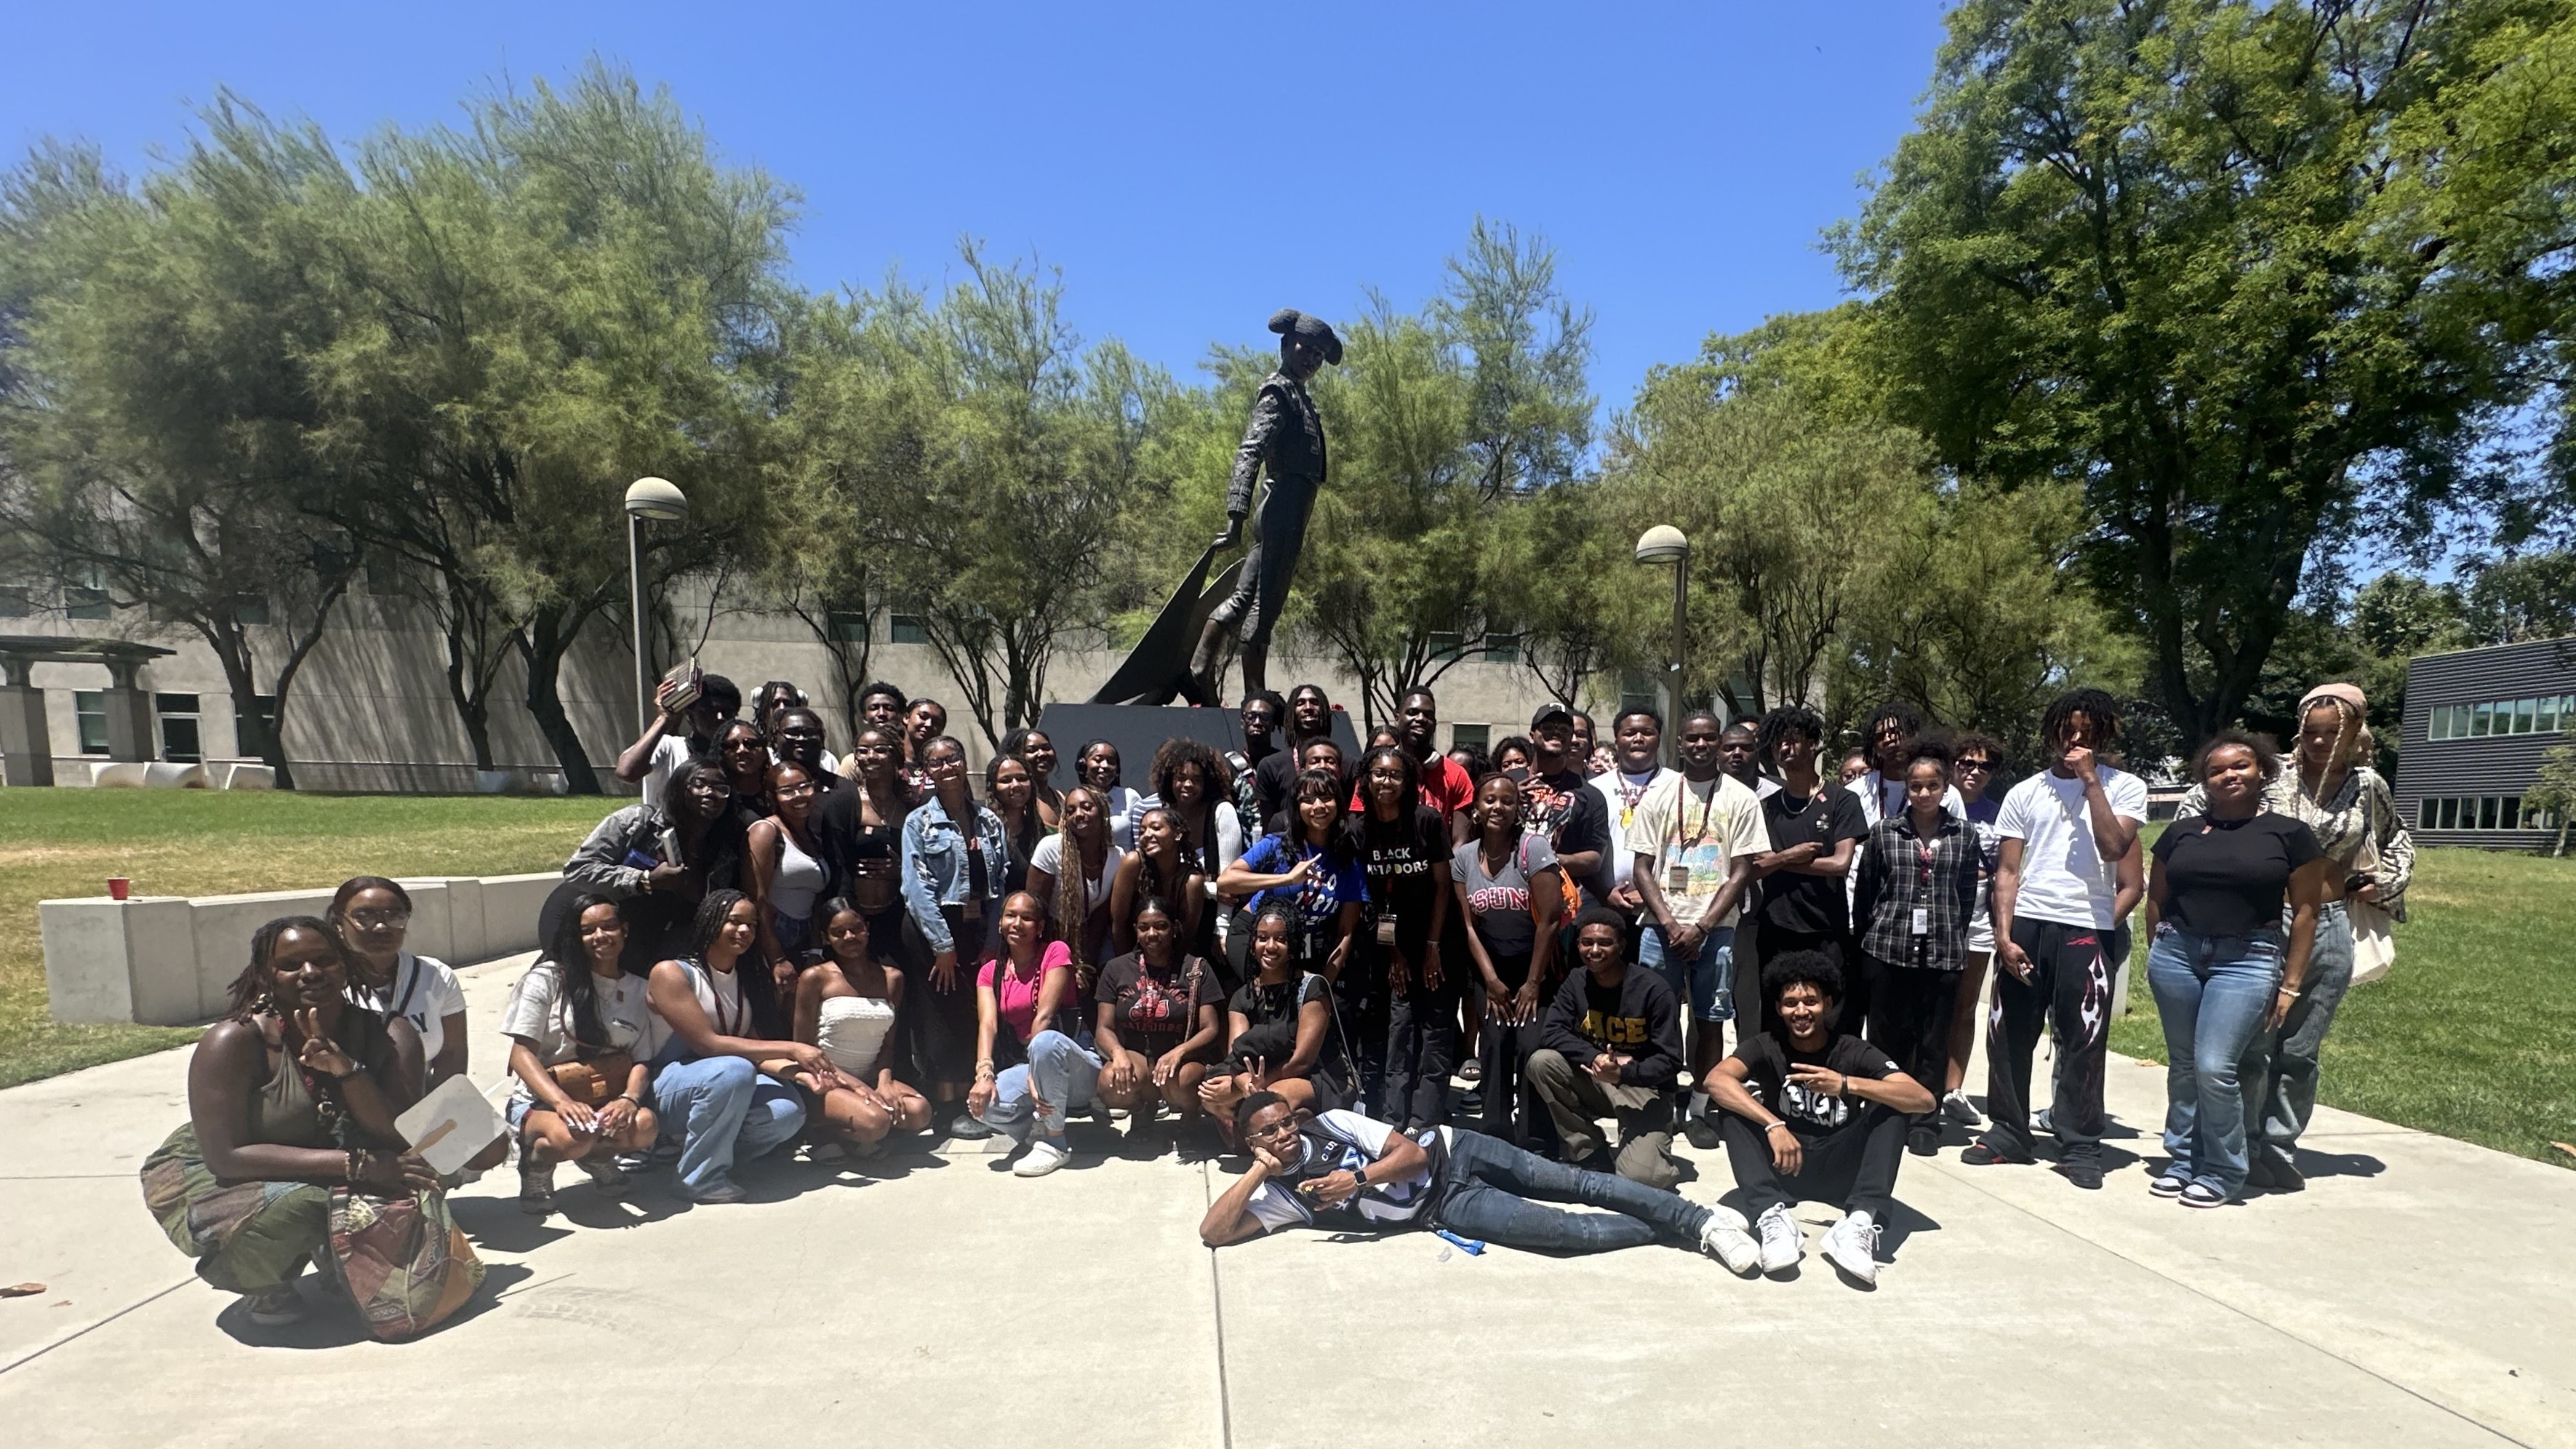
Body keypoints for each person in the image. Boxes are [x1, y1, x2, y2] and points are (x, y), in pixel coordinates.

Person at [142, 917, 462, 1330]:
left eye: (324, 960)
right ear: (265, 975)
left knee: (424, 1176)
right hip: (238, 1170)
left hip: (346, 1156)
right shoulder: (234, 1041)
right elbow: (227, 1157)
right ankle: (264, 1282)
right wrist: (358, 1165)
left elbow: (397, 1134)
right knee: (298, 1206)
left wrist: (347, 1071)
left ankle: (339, 1256)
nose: (310, 972)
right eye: (290, 965)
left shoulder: (391, 1033)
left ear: (346, 964)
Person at [2187, 684, 2410, 1191]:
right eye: (2311, 732)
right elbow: (2199, 810)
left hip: (2329, 920)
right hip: (2265, 921)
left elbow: (2397, 837)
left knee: (2301, 1050)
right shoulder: (2269, 775)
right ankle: (2240, 1145)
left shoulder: (2367, 785)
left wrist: (2386, 881)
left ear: (2356, 731)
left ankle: (2279, 1146)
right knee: (2253, 1044)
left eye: (2333, 732)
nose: (2320, 742)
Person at [1200, 1090, 1754, 1271]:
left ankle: (1698, 1219)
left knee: (1577, 1183)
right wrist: (1259, 1171)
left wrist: (1358, 1180)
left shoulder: (1331, 1123)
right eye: (1270, 1133)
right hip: (1444, 1209)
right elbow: (1214, 1232)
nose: (1286, 1135)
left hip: (1455, 1150)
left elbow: (1412, 1155)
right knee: (1565, 1234)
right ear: (1252, 1141)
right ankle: (1673, 1228)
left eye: (1286, 1122)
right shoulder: (1282, 1197)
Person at [1967, 689, 2148, 1190]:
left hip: (2086, 926)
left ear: (2103, 735)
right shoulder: (2025, 792)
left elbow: (2114, 846)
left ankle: (2079, 1142)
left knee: (2083, 1039)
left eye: (2087, 733)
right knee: (2008, 1032)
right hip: (2028, 922)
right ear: (2052, 733)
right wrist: (2003, 935)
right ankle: (2009, 1131)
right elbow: (2007, 871)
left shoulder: (2125, 787)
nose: (2075, 740)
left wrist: (2091, 781)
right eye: (2067, 731)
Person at [2150, 733, 2325, 1205]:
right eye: (2216, 770)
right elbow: (2157, 899)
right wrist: (2159, 951)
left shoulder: (2289, 835)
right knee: (2183, 1067)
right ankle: (2182, 1159)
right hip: (2177, 954)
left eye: (2240, 766)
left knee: (2214, 1066)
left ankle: (2224, 1169)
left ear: (2261, 771)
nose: (2229, 775)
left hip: (2247, 959)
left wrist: (2290, 985)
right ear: (2204, 781)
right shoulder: (2181, 832)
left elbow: (2306, 913)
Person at [1703, 951, 1932, 1286]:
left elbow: (1923, 1100)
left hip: (1841, 1169)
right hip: (1784, 1166)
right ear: (1779, 1008)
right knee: (1732, 1106)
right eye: (1790, 1003)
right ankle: (1770, 1216)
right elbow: (1715, 1080)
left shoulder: (1853, 1050)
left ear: (1827, 1003)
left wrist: (1846, 1084)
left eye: (1810, 1001)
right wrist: (1773, 1124)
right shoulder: (1765, 1045)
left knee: (1893, 1107)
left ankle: (1859, 1223)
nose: (1801, 1011)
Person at [1623, 711, 1764, 1143]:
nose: (1701, 746)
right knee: (1655, 1020)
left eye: (1709, 738)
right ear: (1679, 744)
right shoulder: (1658, 795)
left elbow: (1742, 870)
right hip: (1660, 928)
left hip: (1716, 929)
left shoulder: (1741, 798)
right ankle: (1661, 1101)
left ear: (1719, 743)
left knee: (1710, 1021)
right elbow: (1642, 867)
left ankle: (1702, 1106)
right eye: (1692, 739)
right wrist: (1669, 923)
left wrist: (1703, 926)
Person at [1191, 308, 1344, 701]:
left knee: (1245, 598)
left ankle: (1200, 667)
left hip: (1291, 513)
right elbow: (1250, 452)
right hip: (1280, 511)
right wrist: (1236, 516)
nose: (1312, 360)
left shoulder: (1300, 397)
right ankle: (1255, 695)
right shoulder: (1279, 393)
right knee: (1265, 606)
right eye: (1306, 349)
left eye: (1319, 355)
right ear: (1286, 345)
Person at [643, 891, 822, 1203]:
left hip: (724, 1078)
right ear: (710, 921)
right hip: (665, 1088)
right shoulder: (672, 973)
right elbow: (708, 1045)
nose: (745, 931)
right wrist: (793, 1048)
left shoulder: (746, 979)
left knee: (788, 1113)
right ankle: (697, 1178)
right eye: (734, 922)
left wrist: (801, 1074)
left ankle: (713, 1156)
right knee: (734, 1070)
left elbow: (752, 1051)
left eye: (752, 925)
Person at [1850, 742, 1983, 1156]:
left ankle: (1925, 1119)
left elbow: (1966, 893)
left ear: (1945, 788)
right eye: (1916, 786)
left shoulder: (1964, 835)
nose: (1924, 794)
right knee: (1887, 1037)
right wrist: (1868, 939)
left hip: (1942, 951)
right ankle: (1884, 1112)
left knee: (1933, 1039)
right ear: (1906, 789)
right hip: (1887, 949)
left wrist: (1952, 931)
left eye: (1932, 786)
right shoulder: (1885, 833)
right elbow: (1867, 890)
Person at [501, 894, 659, 1213]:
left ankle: (598, 1157)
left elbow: (641, 1059)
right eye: (588, 931)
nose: (600, 936)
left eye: (609, 926)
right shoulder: (546, 979)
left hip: (602, 1096)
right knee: (575, 1137)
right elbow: (521, 1055)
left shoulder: (640, 989)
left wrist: (629, 1099)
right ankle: (536, 1165)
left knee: (645, 1126)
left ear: (625, 930)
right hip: (543, 1100)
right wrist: (563, 1102)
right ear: (576, 937)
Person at [1528, 906, 1687, 1188]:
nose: (1594, 950)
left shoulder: (1654, 990)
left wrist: (1625, 1073)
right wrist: (1596, 1057)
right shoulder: (1576, 981)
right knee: (1542, 1063)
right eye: (1586, 942)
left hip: (1644, 1088)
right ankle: (1589, 1150)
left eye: (1605, 943)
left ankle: (1650, 1138)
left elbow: (1671, 1060)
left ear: (1622, 946)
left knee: (1645, 1179)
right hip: (1597, 1078)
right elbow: (1551, 1032)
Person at [900, 735, 1012, 1136]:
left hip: (977, 929)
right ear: (926, 771)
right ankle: (947, 1108)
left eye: (953, 759)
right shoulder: (918, 822)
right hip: (934, 931)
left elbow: (1000, 883)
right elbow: (916, 889)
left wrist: (993, 942)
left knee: (971, 1011)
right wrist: (942, 946)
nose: (946, 767)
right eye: (936, 762)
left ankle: (973, 1100)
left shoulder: (989, 820)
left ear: (964, 764)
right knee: (939, 1014)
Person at [1738, 706, 1868, 1044]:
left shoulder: (1842, 800)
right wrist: (1789, 856)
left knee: (1828, 1014)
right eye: (1778, 742)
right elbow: (1752, 869)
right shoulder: (1767, 806)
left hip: (1827, 929)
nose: (1785, 748)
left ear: (1813, 745)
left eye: (1793, 740)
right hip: (1777, 928)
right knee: (1777, 1015)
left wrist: (1779, 861)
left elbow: (1840, 864)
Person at [1452, 772, 1567, 1144]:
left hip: (1535, 967)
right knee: (1494, 1044)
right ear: (1476, 807)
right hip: (1491, 969)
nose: (1498, 807)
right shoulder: (1464, 858)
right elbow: (1467, 927)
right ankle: (1496, 1136)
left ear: (1518, 808)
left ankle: (1535, 1137)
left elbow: (1550, 919)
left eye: (1507, 801)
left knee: (1531, 1047)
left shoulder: (1533, 849)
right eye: (1490, 800)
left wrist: (1533, 984)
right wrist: (1490, 980)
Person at [1351, 746, 1457, 1133]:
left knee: (1435, 1030)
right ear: (1367, 780)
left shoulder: (1426, 821)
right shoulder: (1359, 830)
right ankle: (1395, 1121)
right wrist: (1395, 953)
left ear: (1408, 782)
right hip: (1390, 944)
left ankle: (1426, 1121)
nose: (1387, 782)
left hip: (1437, 938)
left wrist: (1432, 948)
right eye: (1379, 774)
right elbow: (1371, 898)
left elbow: (1443, 887)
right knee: (1400, 1029)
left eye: (1396, 775)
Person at [562, 754, 747, 973]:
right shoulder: (637, 822)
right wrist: (645, 880)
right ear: (680, 787)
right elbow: (578, 869)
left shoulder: (724, 850)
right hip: (608, 938)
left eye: (720, 788)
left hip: (665, 947)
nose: (710, 792)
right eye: (699, 784)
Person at [793, 898, 935, 1157]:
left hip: (871, 1076)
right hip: (826, 1080)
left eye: (856, 929)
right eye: (838, 932)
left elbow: (888, 1044)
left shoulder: (892, 978)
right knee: (875, 1122)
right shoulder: (815, 978)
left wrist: (884, 1082)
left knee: (920, 1113)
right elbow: (804, 1048)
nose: (850, 937)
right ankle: (821, 1131)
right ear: (826, 938)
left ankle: (857, 1131)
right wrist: (856, 1087)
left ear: (867, 929)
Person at [1217, 767, 1367, 1009]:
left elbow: (1345, 933)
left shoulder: (1348, 858)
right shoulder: (1277, 844)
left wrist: (1323, 988)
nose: (1318, 806)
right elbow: (1226, 881)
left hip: (1299, 946)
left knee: (1302, 1006)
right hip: (1254, 935)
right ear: (1297, 807)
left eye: (1326, 798)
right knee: (1269, 1005)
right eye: (1308, 800)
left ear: (1338, 804)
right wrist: (1286, 879)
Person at [1198, 902, 1353, 1125]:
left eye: (1281, 939)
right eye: (1263, 938)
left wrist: (1254, 1088)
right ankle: (1271, 1128)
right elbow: (1236, 1057)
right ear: (1253, 944)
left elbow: (1302, 1061)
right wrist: (1246, 1085)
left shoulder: (1313, 987)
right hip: (1260, 1078)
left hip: (1317, 1076)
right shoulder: (1242, 997)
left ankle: (1294, 1126)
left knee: (1271, 1100)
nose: (1270, 946)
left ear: (1293, 946)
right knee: (1212, 1096)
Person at [966, 893, 1087, 1175]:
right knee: (983, 1106)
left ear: (1040, 927)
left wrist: (1035, 1072)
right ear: (1000, 923)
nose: (1017, 923)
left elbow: (1044, 1015)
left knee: (1044, 1042)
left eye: (1027, 918)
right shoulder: (990, 972)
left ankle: (1056, 1144)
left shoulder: (1055, 952)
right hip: (1029, 1064)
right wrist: (984, 1075)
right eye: (1010, 916)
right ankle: (1037, 1130)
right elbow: (988, 1024)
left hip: (1075, 1064)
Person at [1092, 895, 1226, 1135]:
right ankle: (1144, 1108)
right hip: (1138, 1058)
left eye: (1161, 926)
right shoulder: (1116, 969)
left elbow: (1211, 1029)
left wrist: (1180, 1052)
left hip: (1183, 1061)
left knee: (1182, 1081)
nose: (1152, 934)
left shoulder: (1196, 969)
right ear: (1136, 930)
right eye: (1144, 928)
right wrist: (1118, 1053)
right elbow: (1104, 1027)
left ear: (1174, 928)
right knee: (1110, 1081)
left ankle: (1190, 1114)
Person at [1939, 733, 2007, 1129]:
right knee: (1930, 1001)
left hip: (1978, 915)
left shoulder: (2000, 813)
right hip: (1936, 910)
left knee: (1965, 1006)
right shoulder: (1934, 802)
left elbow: (2004, 869)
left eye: (1984, 766)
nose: (1974, 771)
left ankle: (1953, 1089)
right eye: (1966, 762)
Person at [814, 724, 917, 968]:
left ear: (896, 755)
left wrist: (902, 871)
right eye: (863, 750)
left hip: (899, 917)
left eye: (880, 750)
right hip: (856, 923)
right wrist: (848, 920)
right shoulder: (842, 804)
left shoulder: (911, 805)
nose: (871, 756)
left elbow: (922, 864)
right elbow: (838, 866)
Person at [1142, 736, 1246, 958]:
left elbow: (1229, 885)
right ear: (1169, 780)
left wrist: (1222, 930)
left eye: (1196, 780)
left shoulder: (1222, 812)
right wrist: (1211, 890)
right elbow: (1162, 880)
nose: (1188, 785)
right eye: (1181, 778)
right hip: (1170, 925)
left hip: (1213, 924)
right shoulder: (1162, 817)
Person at [1516, 703, 1611, 909]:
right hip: (1509, 897)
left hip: (1562, 903)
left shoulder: (1590, 796)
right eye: (1548, 727)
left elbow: (1594, 859)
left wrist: (1545, 860)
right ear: (1532, 735)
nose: (1556, 732)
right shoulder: (1506, 783)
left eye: (1564, 729)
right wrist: (1508, 799)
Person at [1031, 783, 1126, 980]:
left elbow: (1102, 917)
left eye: (1087, 807)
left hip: (1091, 938)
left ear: (1102, 812)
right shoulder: (1050, 849)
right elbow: (1036, 911)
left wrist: (1086, 966)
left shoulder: (1116, 857)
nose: (1079, 815)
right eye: (1071, 811)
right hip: (1051, 939)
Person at [1591, 708, 1676, 917]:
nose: (1638, 739)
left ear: (1658, 739)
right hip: (1603, 906)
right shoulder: (1595, 789)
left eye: (1647, 733)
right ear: (1616, 741)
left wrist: (1652, 893)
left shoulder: (1678, 785)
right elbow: (1586, 850)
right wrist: (1605, 893)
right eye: (1629, 733)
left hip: (1665, 909)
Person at [748, 760, 831, 970]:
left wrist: (816, 950)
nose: (799, 795)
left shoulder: (811, 835)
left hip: (804, 938)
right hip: (776, 937)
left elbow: (815, 899)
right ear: (772, 797)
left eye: (804, 787)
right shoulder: (765, 831)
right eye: (787, 791)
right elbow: (758, 900)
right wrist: (777, 959)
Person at [615, 671, 742, 804]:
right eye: (709, 711)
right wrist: (664, 718)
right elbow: (627, 772)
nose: (720, 718)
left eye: (728, 713)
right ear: (690, 716)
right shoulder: (669, 748)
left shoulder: (737, 756)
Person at [1111, 805, 1207, 962]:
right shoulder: (1133, 863)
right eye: (1142, 831)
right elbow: (1119, 924)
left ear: (1177, 834)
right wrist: (1126, 967)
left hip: (1173, 959)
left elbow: (1186, 937)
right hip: (1131, 954)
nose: (1147, 835)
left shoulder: (1191, 881)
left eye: (1156, 828)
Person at [1851, 699, 1964, 827]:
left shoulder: (1947, 794)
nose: (1888, 739)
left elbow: (1961, 836)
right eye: (1880, 737)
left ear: (1913, 734)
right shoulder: (1856, 792)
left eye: (1895, 732)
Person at [1253, 683, 1335, 826]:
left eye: (1315, 702)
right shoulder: (1271, 766)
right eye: (1300, 703)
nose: (1308, 707)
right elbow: (1268, 824)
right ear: (1291, 713)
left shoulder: (1346, 765)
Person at [1228, 690, 1288, 831]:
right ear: (1242, 722)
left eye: (1265, 717)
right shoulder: (1228, 766)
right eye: (1251, 716)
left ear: (1273, 725)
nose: (1257, 722)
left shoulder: (1284, 764)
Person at [1072, 738, 1146, 850]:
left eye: (1111, 762)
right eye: (1098, 760)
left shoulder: (1129, 797)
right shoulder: (1075, 800)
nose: (1105, 765)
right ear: (1083, 766)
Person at [987, 752, 1044, 895]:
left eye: (1022, 778)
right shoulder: (984, 830)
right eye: (1006, 780)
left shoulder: (1037, 829)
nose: (1016, 785)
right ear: (993, 787)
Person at [713, 719, 777, 833]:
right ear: (722, 754)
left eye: (751, 744)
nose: (742, 750)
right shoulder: (718, 797)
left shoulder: (776, 793)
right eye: (731, 745)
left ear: (764, 752)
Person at [1000, 727, 1065, 829]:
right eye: (1031, 750)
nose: (1042, 754)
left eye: (1046, 748)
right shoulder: (1019, 803)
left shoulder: (1062, 798)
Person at [769, 706, 843, 794]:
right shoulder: (765, 791)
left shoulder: (845, 791)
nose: (801, 738)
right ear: (775, 739)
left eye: (809, 732)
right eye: (792, 732)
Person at [900, 698, 948, 798]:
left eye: (936, 722)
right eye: (923, 717)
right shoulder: (890, 762)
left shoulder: (947, 766)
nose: (929, 724)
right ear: (906, 718)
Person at [1720, 717, 1777, 799]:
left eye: (1746, 748)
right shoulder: (1704, 792)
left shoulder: (1776, 795)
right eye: (1729, 748)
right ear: (1717, 754)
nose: (1737, 753)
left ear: (1757, 754)